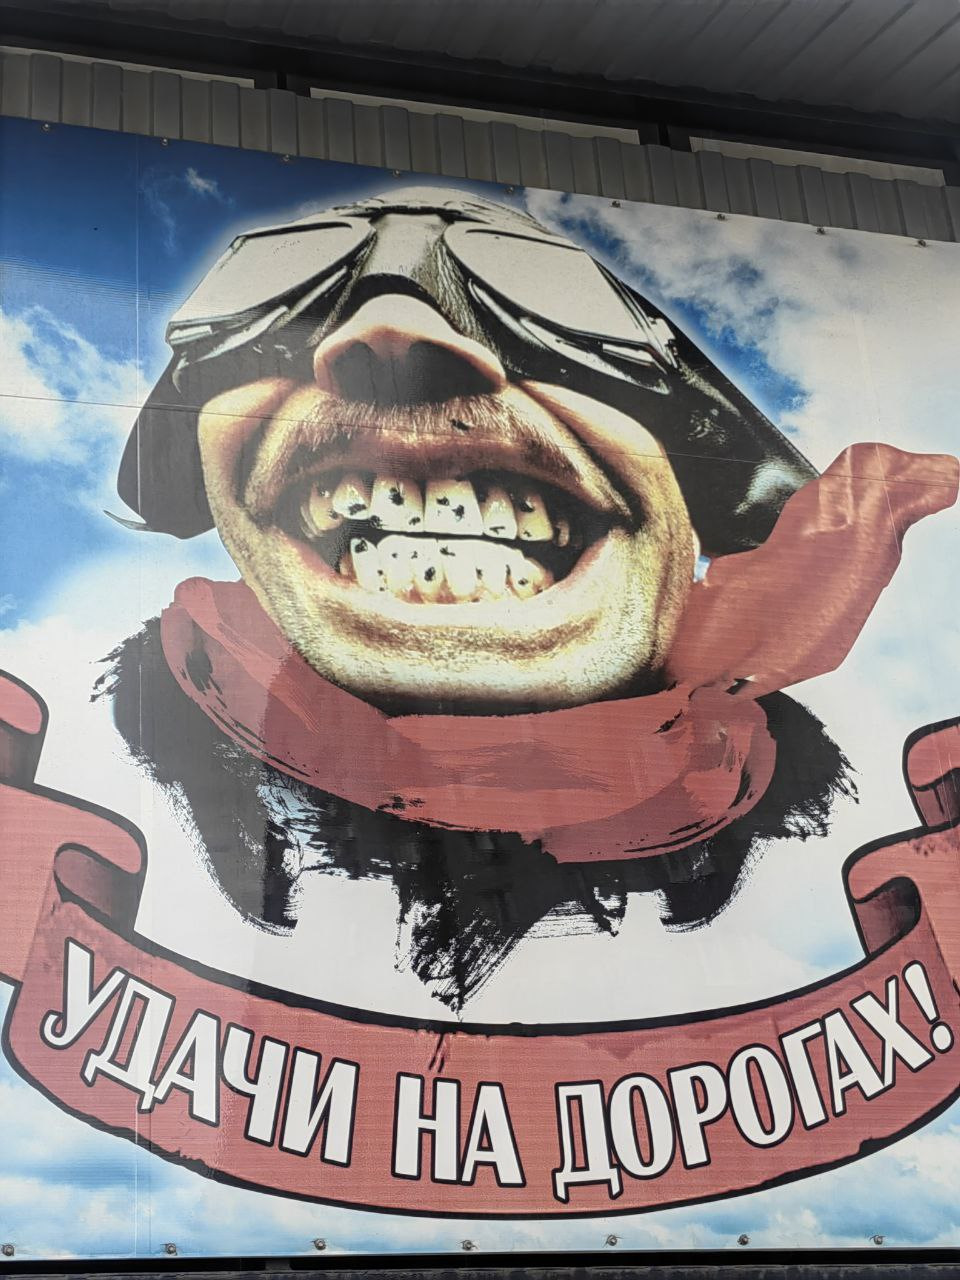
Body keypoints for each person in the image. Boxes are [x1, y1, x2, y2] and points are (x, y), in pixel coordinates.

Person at [101, 186, 951, 1012]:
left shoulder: (844, 824)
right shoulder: (107, 758)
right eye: (282, 300)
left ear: (703, 483)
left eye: (546, 303)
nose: (388, 332)